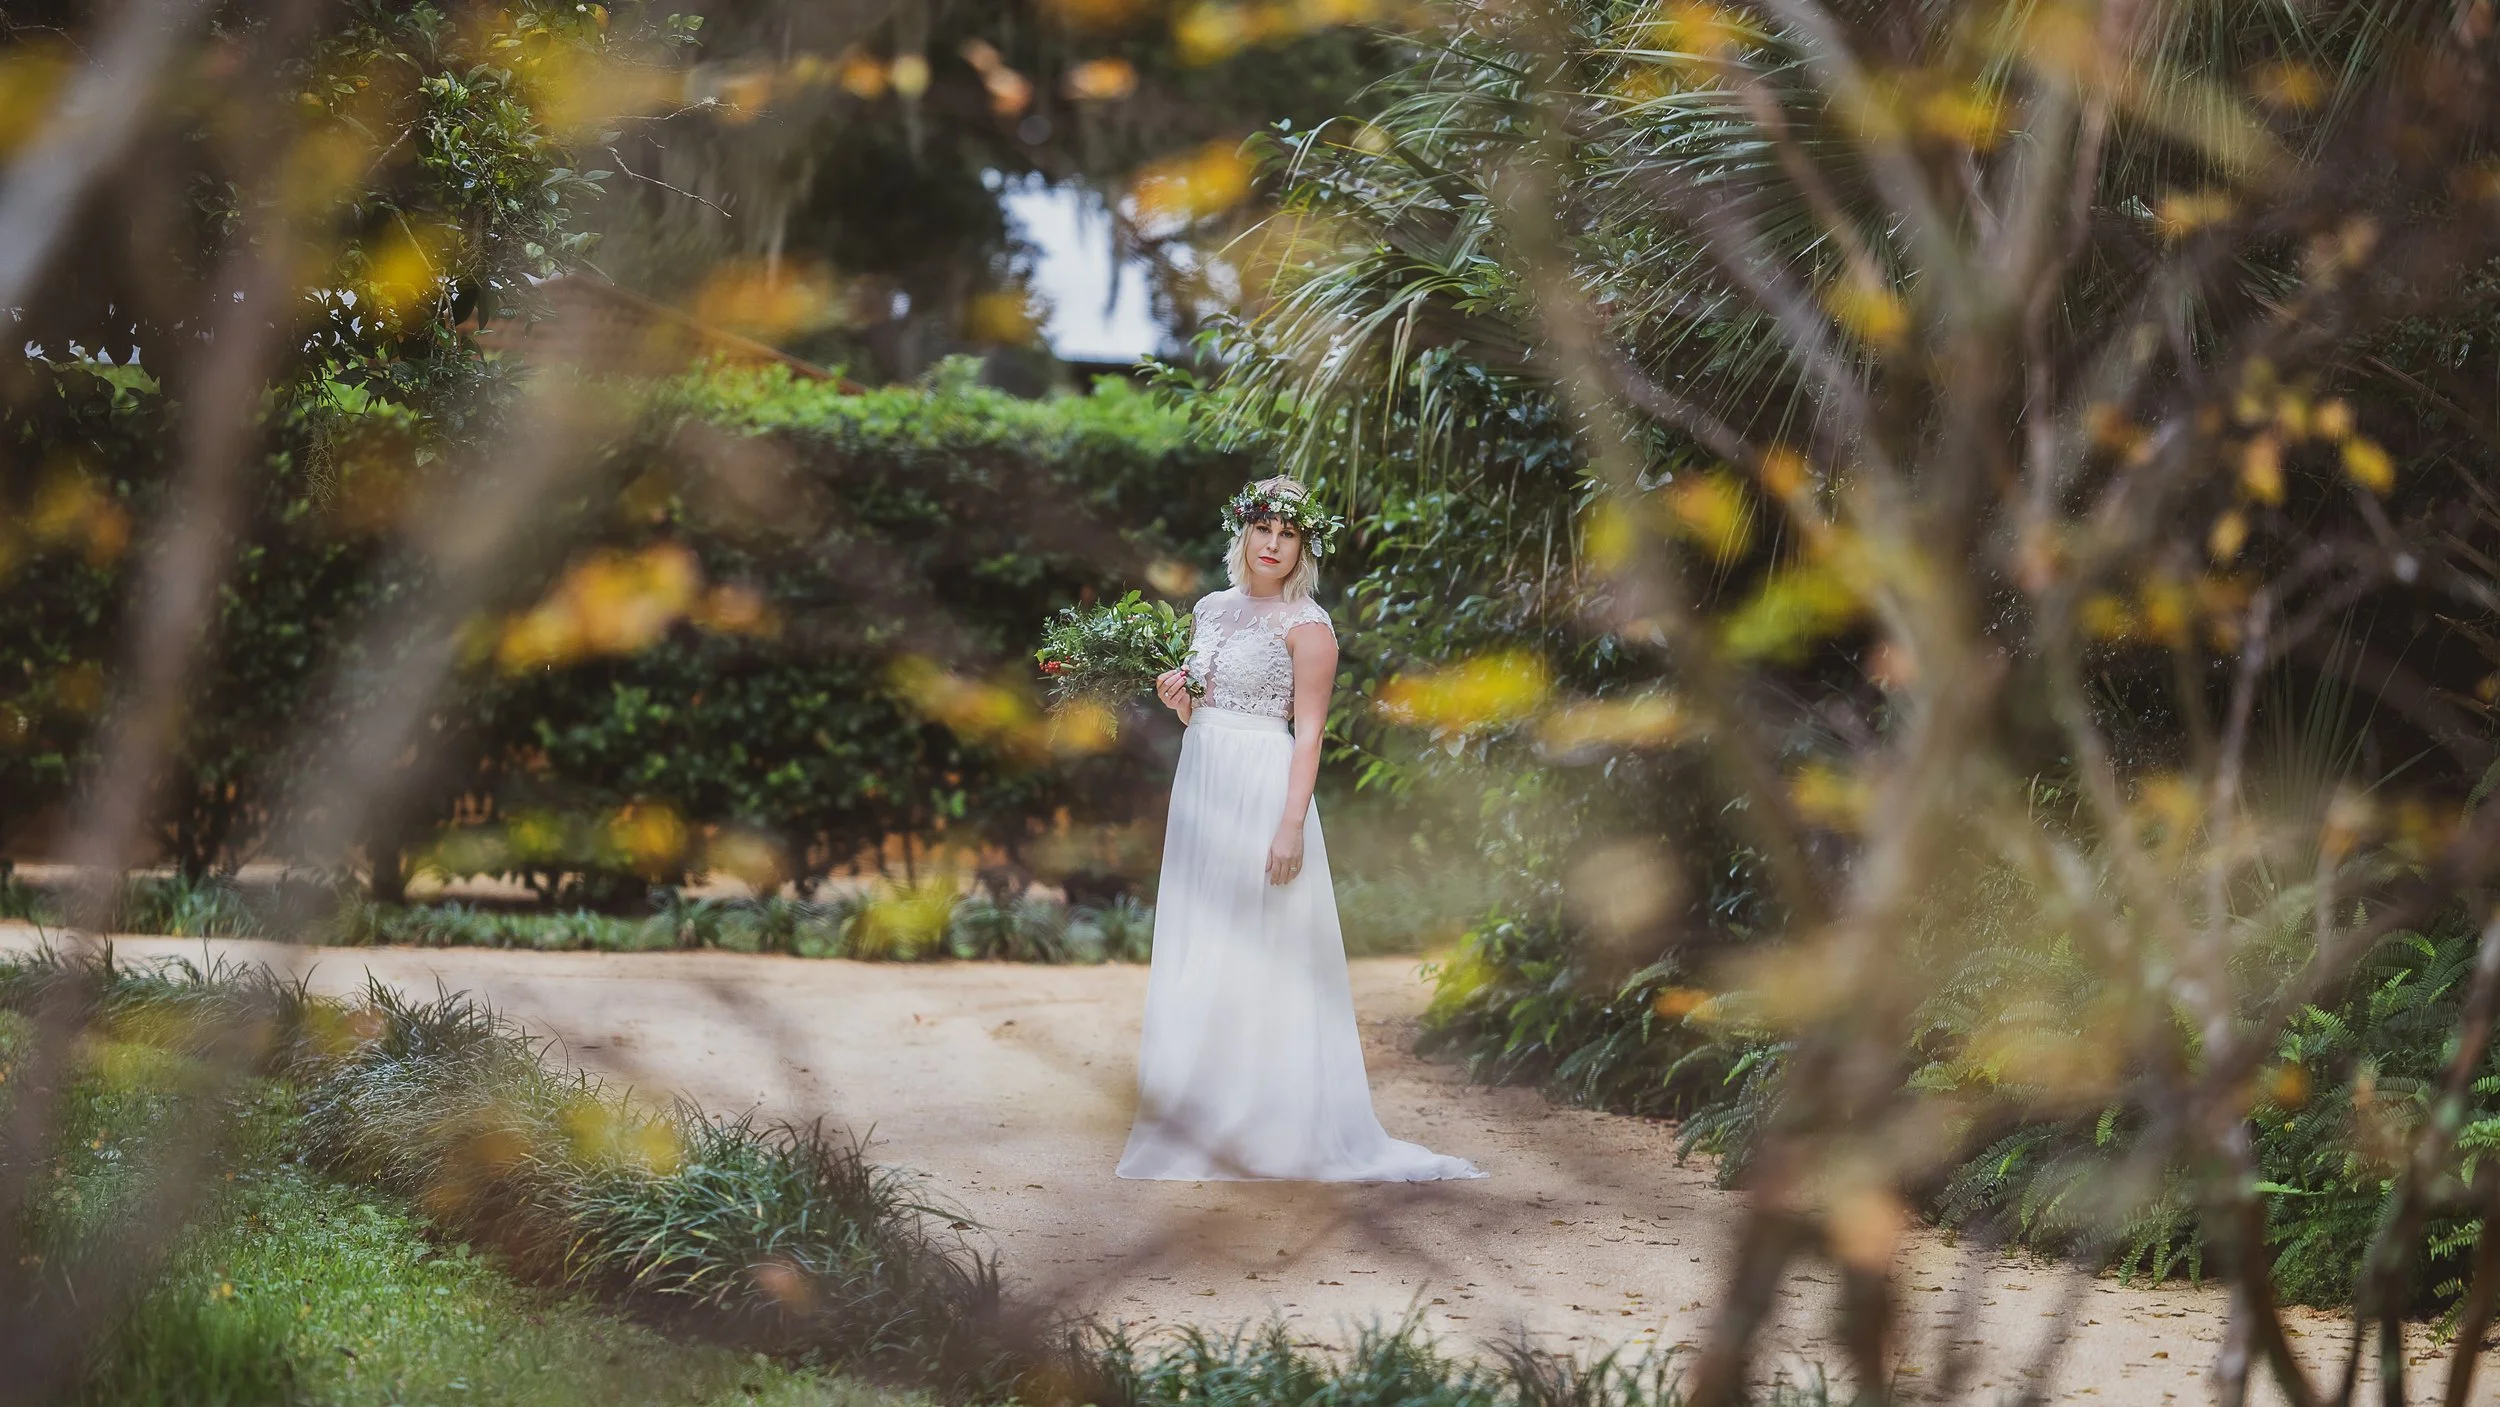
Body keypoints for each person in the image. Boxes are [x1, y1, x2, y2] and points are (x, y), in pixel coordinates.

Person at [1115, 476, 1485, 1182]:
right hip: (1204, 783)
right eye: (1263, 530)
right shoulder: (1209, 611)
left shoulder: (1308, 626)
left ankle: (1269, 1128)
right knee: (1207, 945)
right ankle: (1199, 1120)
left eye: (1288, 535)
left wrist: (1289, 826)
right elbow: (1204, 711)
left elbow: (1308, 733)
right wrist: (1176, 699)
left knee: (1262, 946)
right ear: (1244, 534)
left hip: (1265, 788)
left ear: (1302, 547)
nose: (1273, 545)